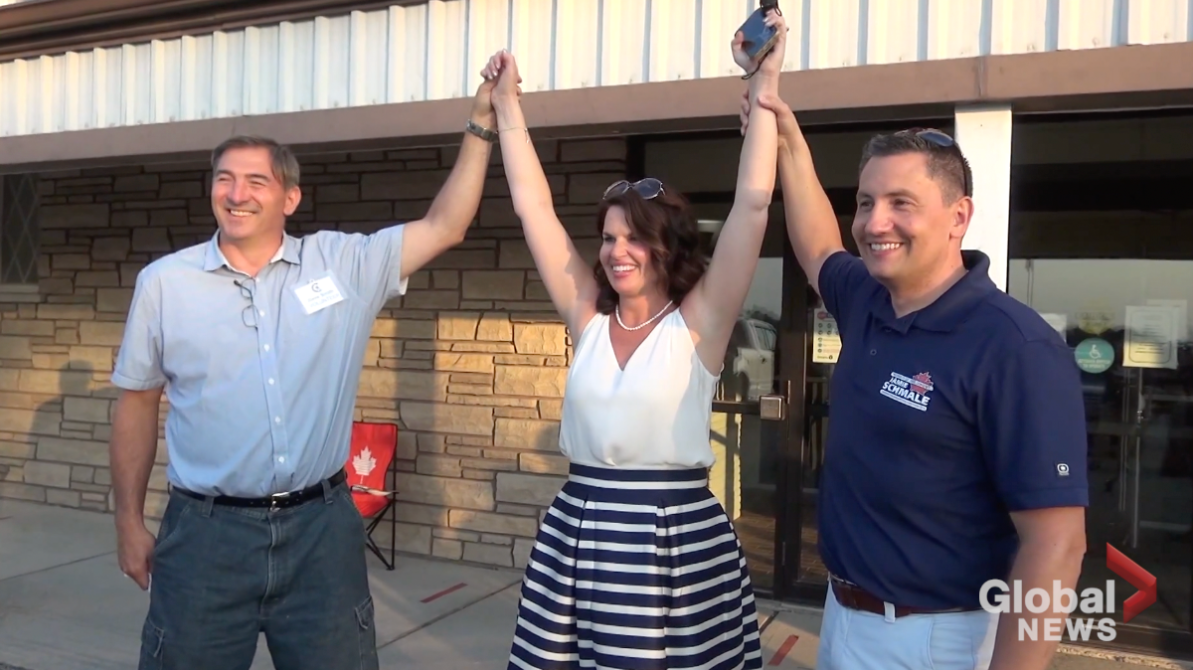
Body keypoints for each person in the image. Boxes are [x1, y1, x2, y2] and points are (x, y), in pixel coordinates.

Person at [108, 73, 500, 670]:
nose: (237, 194)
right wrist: (128, 522)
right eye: (224, 179)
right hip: (206, 538)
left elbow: (446, 225)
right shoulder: (165, 284)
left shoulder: (342, 265)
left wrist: (480, 123)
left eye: (256, 181)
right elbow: (136, 403)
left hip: (322, 534)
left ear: (289, 197)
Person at [738, 93, 1089, 669]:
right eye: (867, 201)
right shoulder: (869, 300)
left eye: (902, 202)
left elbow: (1056, 544)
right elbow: (819, 245)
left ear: (959, 217)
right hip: (843, 615)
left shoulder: (1015, 348)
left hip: (935, 642)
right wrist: (787, 143)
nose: (876, 223)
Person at [482, 11, 785, 670]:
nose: (618, 252)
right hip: (578, 535)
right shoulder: (587, 315)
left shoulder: (697, 324)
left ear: (665, 245)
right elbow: (533, 207)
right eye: (609, 237)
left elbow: (753, 205)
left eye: (635, 237)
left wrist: (766, 82)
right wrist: (508, 108)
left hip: (674, 544)